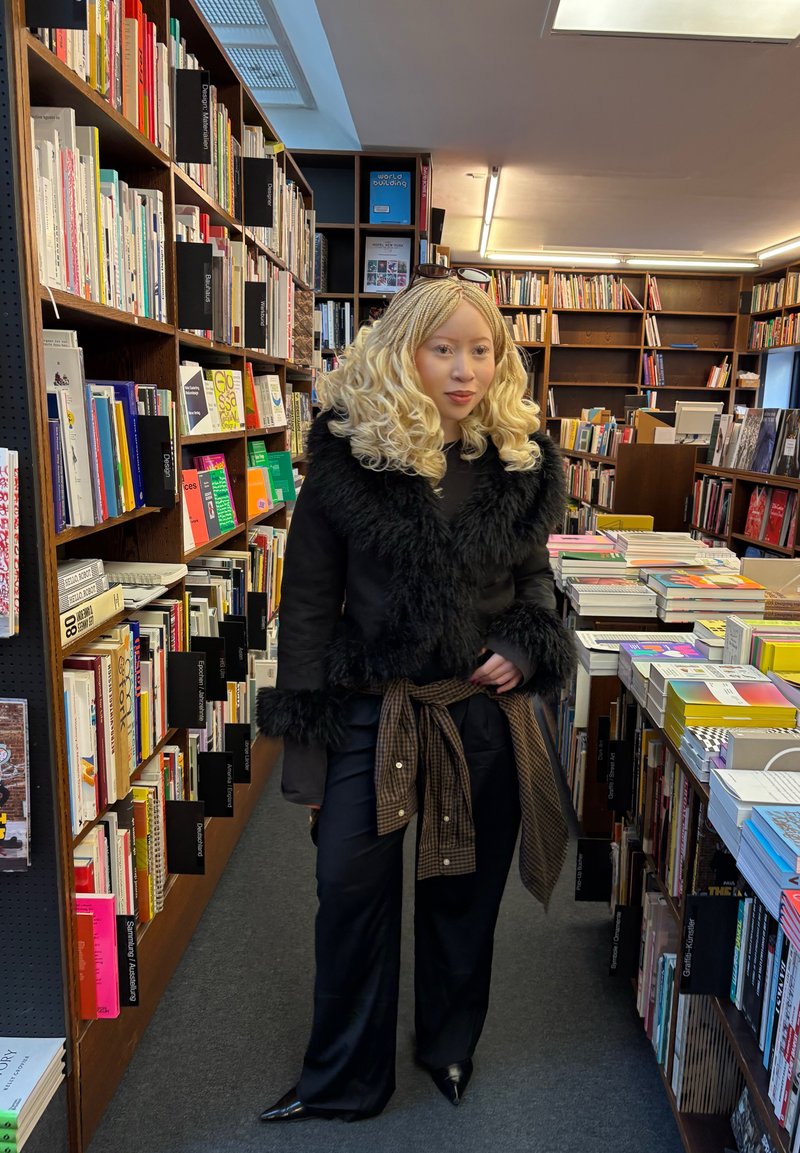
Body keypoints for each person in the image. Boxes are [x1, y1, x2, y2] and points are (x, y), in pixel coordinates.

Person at [256, 267, 575, 1123]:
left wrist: (525, 645)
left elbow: (536, 582)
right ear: (405, 354)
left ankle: (449, 1045)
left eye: (481, 350)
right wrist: (310, 767)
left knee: (463, 897)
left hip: (481, 715)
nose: (465, 369)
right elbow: (311, 615)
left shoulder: (519, 462)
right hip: (373, 707)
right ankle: (344, 1078)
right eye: (444, 349)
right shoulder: (346, 459)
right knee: (351, 890)